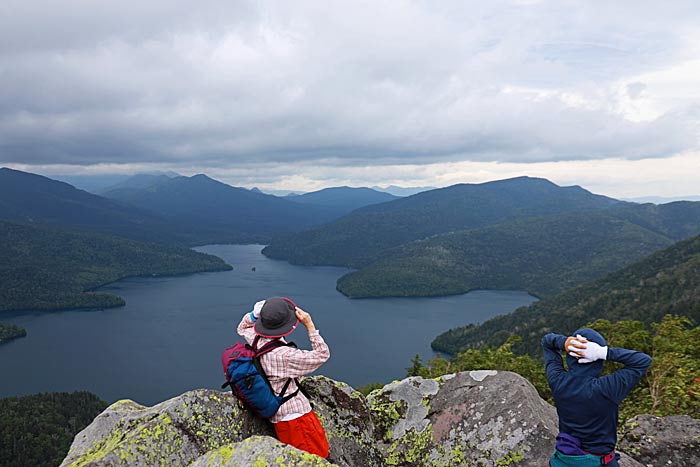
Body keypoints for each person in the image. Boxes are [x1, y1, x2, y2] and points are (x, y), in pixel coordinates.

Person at [541, 328, 652, 467]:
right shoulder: (606, 389)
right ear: (596, 359)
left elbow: (546, 342)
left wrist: (564, 342)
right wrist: (602, 352)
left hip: (564, 460)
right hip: (598, 462)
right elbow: (643, 361)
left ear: (570, 356)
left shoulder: (558, 380)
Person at [237, 296, 331, 458]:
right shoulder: (284, 355)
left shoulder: (255, 338)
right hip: (296, 418)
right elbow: (322, 355)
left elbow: (242, 326)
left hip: (279, 413)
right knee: (315, 457)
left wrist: (254, 314)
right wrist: (310, 326)